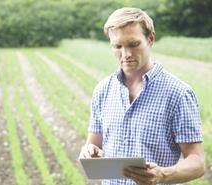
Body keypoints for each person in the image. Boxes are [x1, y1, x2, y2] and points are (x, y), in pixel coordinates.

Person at [79, 7, 205, 185]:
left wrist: (162, 174)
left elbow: (198, 162)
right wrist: (89, 151)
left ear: (150, 39)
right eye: (117, 46)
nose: (126, 54)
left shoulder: (178, 93)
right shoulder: (103, 90)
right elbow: (94, 144)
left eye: (133, 44)